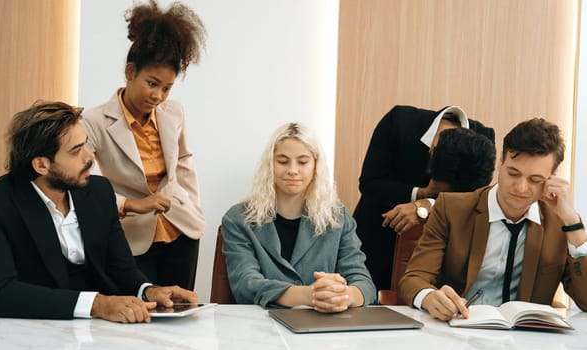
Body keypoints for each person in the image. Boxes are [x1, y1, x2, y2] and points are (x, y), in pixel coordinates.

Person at [0, 101, 197, 322]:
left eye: (86, 143)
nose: (90, 157)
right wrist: (96, 305)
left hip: (101, 336)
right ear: (41, 165)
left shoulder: (99, 191)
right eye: (76, 151)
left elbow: (121, 268)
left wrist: (148, 291)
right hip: (28, 337)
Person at [398, 118, 587, 320]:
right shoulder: (452, 209)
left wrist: (573, 224)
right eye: (513, 173)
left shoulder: (561, 223)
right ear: (501, 163)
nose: (521, 188)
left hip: (526, 339)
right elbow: (413, 278)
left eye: (535, 180)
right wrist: (429, 297)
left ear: (552, 178)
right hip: (458, 329)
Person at [82, 0, 206, 289]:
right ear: (130, 71)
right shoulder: (94, 121)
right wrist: (130, 205)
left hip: (181, 228)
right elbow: (80, 182)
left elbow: (185, 160)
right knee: (138, 317)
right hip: (132, 236)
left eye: (167, 88)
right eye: (152, 83)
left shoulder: (173, 112)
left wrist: (192, 204)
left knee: (178, 312)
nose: (158, 95)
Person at [221, 123, 376, 312]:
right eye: (283, 161)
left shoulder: (338, 217)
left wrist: (342, 295)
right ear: (270, 164)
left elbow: (364, 284)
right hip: (262, 329)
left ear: (315, 166)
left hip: (323, 330)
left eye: (302, 162)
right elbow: (246, 285)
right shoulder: (238, 219)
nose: (293, 170)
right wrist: (310, 295)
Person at [353, 105, 495, 290]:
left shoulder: (483, 139)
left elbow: (473, 200)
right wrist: (422, 193)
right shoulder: (399, 122)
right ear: (432, 147)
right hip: (379, 236)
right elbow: (370, 184)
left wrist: (428, 205)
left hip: (437, 250)